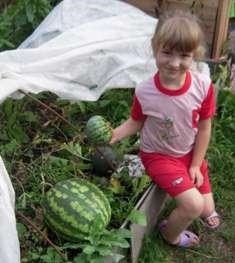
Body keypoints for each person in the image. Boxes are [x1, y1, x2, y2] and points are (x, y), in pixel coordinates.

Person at [110, 10, 220, 247]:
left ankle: (190, 187)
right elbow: (136, 121)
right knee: (194, 206)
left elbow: (203, 128)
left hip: (189, 153)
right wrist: (113, 134)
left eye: (184, 55)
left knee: (207, 209)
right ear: (155, 47)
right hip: (158, 156)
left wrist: (194, 164)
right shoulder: (145, 91)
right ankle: (170, 235)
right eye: (167, 53)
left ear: (195, 55)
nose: (174, 63)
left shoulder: (203, 86)